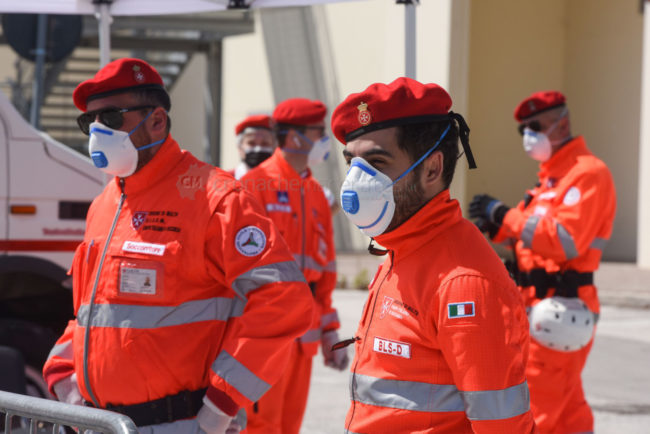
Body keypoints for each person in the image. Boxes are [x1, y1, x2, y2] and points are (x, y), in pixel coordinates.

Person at [41, 58, 314, 434]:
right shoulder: (105, 204)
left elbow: (284, 301)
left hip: (179, 423)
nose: (98, 131)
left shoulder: (215, 198)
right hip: (103, 424)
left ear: (156, 121)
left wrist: (220, 406)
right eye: (90, 121)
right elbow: (94, 312)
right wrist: (63, 373)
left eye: (112, 118)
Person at [331, 77, 537, 433]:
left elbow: (502, 425)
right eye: (353, 163)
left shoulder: (463, 282)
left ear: (432, 169)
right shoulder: (404, 248)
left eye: (377, 163)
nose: (356, 181)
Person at [469, 90, 616, 433]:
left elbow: (565, 241)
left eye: (535, 127)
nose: (528, 136)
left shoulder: (587, 173)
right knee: (568, 412)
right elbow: (529, 236)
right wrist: (498, 228)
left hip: (560, 310)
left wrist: (504, 214)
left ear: (562, 124)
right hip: (535, 309)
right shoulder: (549, 180)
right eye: (523, 130)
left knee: (536, 411)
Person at [239, 98, 346, 434]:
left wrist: (329, 330)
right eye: (318, 132)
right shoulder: (254, 185)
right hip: (265, 333)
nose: (325, 140)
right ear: (296, 137)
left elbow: (325, 269)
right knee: (260, 427)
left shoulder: (316, 194)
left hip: (304, 337)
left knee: (289, 427)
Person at [229, 114, 276, 180]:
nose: (258, 149)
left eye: (265, 143)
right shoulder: (227, 179)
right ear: (240, 147)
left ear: (274, 147)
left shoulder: (284, 181)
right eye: (251, 143)